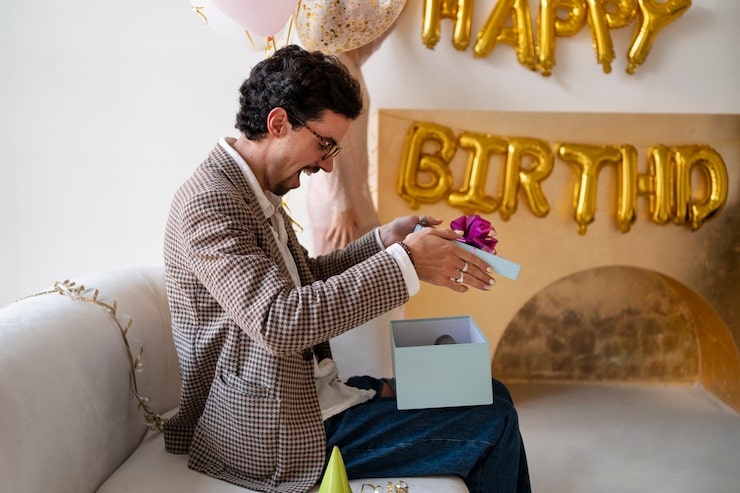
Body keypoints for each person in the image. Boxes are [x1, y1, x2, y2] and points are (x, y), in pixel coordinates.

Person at [163, 45, 530, 493]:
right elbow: (279, 320)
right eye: (324, 144)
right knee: (495, 421)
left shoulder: (253, 191)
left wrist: (383, 242)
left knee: (490, 391)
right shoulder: (211, 203)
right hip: (273, 431)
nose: (328, 164)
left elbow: (306, 277)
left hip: (305, 397)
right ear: (278, 124)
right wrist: (408, 262)